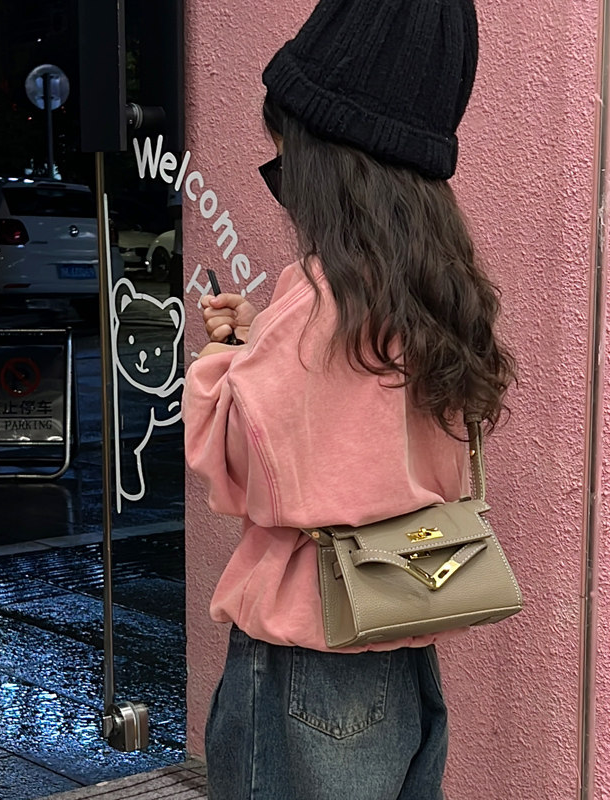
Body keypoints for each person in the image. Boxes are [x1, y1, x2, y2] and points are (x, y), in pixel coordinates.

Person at [182, 0, 516, 798]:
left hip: (308, 655)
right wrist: (266, 339)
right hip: (404, 635)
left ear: (329, 169)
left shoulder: (318, 299)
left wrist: (223, 359)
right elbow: (353, 423)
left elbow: (239, 468)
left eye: (285, 161)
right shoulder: (436, 292)